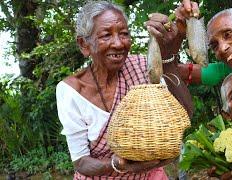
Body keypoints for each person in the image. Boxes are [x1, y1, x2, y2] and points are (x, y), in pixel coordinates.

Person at [56, 1, 193, 179]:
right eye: (106, 35)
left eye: (124, 34)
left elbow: (185, 114)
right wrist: (118, 164)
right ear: (84, 45)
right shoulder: (72, 91)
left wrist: (166, 55)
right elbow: (81, 162)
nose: (119, 44)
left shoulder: (144, 66)